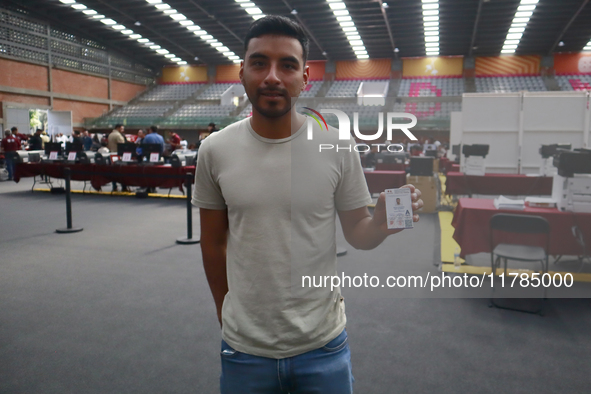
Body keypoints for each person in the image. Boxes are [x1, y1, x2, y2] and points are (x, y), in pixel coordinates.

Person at [193, 16, 423, 394]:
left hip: (323, 346)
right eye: (259, 63)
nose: (272, 76)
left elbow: (358, 234)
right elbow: (212, 242)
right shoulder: (214, 150)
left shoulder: (337, 146)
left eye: (287, 65)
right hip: (244, 349)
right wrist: (226, 314)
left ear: (306, 76)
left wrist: (381, 224)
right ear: (241, 72)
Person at [107, 124, 129, 192]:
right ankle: (124, 187)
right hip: (118, 155)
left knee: (114, 172)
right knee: (122, 172)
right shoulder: (118, 135)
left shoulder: (110, 134)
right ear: (118, 128)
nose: (123, 130)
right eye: (122, 128)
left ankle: (114, 187)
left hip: (111, 154)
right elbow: (123, 145)